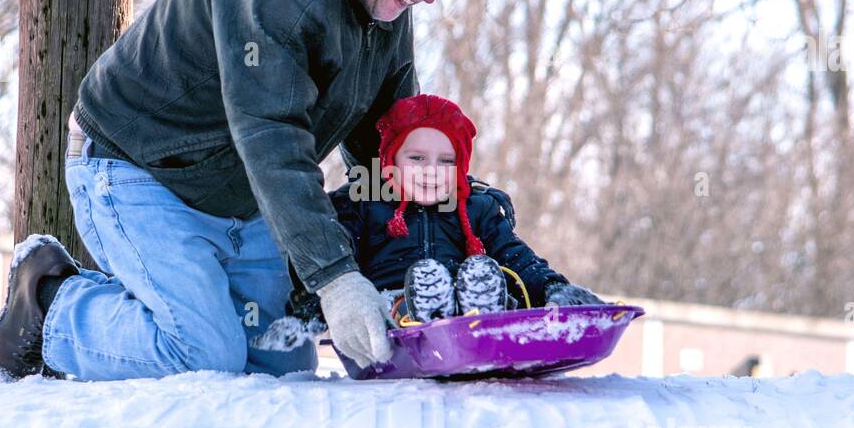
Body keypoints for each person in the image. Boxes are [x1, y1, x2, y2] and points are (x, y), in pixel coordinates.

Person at [0, 0, 507, 382]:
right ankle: (49, 305)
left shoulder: (386, 5)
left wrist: (443, 216)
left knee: (278, 365)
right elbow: (271, 136)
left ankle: (174, 303)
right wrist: (335, 277)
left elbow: (385, 142)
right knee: (205, 356)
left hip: (240, 192)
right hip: (138, 169)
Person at [255, 94, 606, 355]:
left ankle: (479, 312)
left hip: (467, 307)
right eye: (417, 158)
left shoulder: (477, 208)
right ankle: (424, 307)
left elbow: (516, 256)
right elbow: (336, 261)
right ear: (390, 162)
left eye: (446, 160)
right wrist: (306, 316)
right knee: (409, 290)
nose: (431, 170)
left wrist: (553, 289)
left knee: (487, 271)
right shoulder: (364, 206)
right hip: (393, 316)